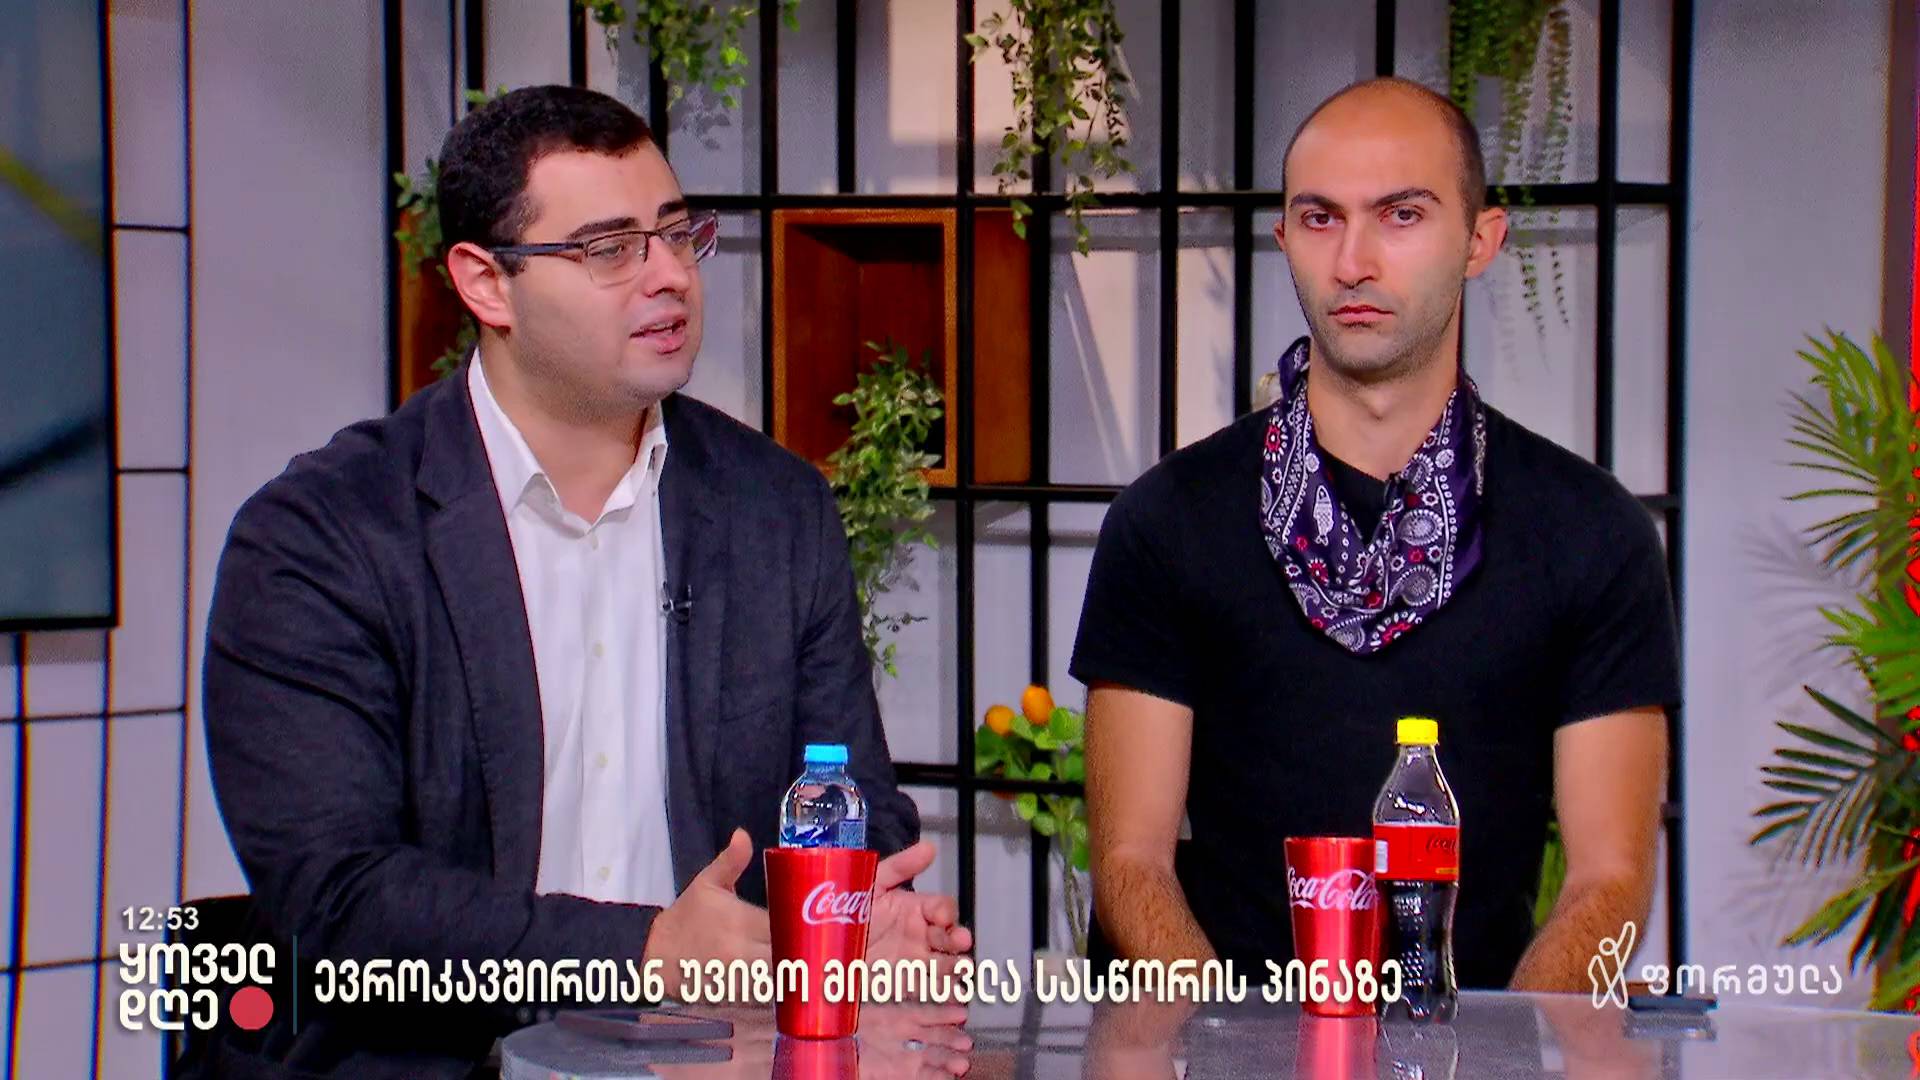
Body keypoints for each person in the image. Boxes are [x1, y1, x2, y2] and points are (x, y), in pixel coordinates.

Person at [198, 85, 969, 1076]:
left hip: (715, 1062)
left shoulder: (774, 509)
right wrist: (645, 953)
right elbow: (340, 900)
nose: (670, 276)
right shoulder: (324, 537)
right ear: (487, 283)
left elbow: (851, 796)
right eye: (610, 249)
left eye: (677, 234)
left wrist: (867, 909)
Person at [1070, 77, 1677, 992]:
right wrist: (1227, 1048)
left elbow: (1610, 882)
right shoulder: (1166, 521)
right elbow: (1130, 865)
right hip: (1220, 1038)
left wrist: (1505, 1053)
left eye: (1401, 215)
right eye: (1320, 219)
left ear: (1481, 240)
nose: (1353, 261)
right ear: (1284, 239)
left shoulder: (1593, 533)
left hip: (1478, 1036)